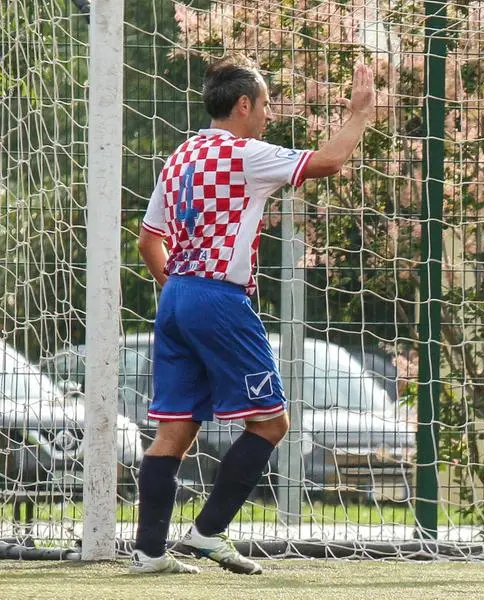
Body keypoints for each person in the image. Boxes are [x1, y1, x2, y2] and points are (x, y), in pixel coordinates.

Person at [132, 54, 375, 574]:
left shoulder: (181, 155)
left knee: (174, 429)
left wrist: (177, 288)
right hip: (219, 298)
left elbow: (148, 240)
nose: (268, 115)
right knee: (272, 422)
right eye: (265, 104)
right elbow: (329, 161)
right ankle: (207, 533)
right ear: (243, 104)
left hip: (175, 299)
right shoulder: (246, 154)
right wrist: (359, 114)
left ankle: (148, 553)